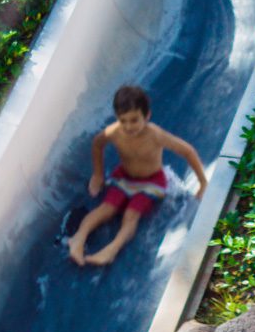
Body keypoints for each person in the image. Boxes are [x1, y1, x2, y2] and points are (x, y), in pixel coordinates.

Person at [70, 84, 208, 266]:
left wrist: (203, 183)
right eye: (123, 120)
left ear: (147, 116)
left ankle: (112, 249)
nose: (128, 126)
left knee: (130, 214)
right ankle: (78, 238)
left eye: (134, 120)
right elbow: (97, 144)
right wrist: (98, 175)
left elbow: (187, 151)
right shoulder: (114, 132)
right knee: (106, 209)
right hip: (124, 177)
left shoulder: (155, 135)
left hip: (152, 181)